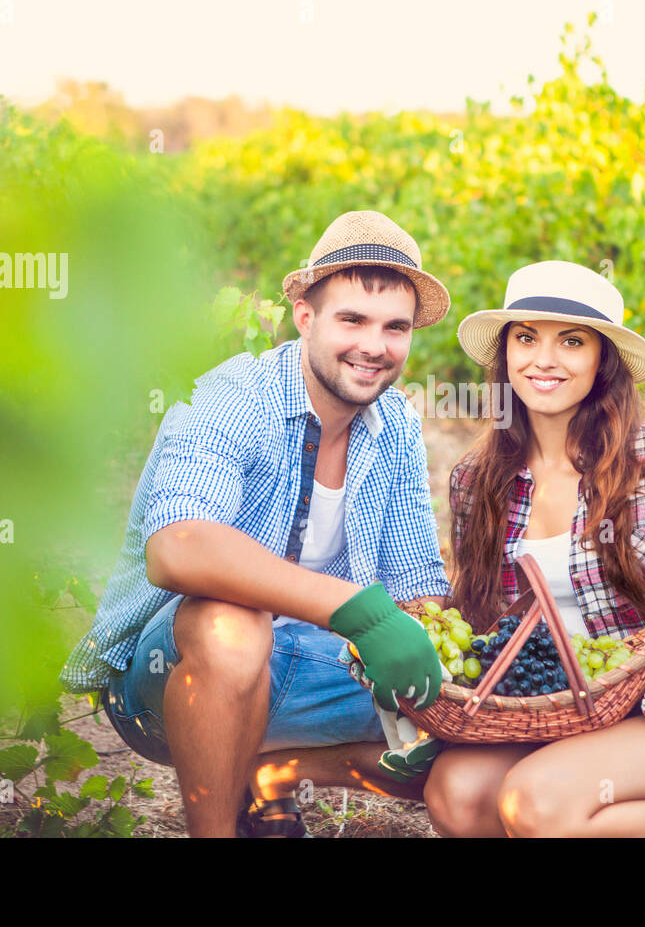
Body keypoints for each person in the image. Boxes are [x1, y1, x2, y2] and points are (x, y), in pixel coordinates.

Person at [58, 210, 455, 837]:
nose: (375, 346)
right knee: (232, 624)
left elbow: (415, 584)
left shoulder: (397, 426)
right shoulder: (233, 395)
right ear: (305, 316)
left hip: (315, 669)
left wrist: (438, 658)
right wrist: (356, 608)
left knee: (472, 752)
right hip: (168, 684)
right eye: (352, 319)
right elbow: (177, 548)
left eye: (395, 327)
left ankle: (271, 772)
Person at [421, 260, 645, 837]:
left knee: (534, 803)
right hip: (569, 714)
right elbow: (483, 625)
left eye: (571, 341)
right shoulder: (476, 481)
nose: (544, 359)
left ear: (602, 361)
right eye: (526, 337)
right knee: (455, 793)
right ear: (505, 353)